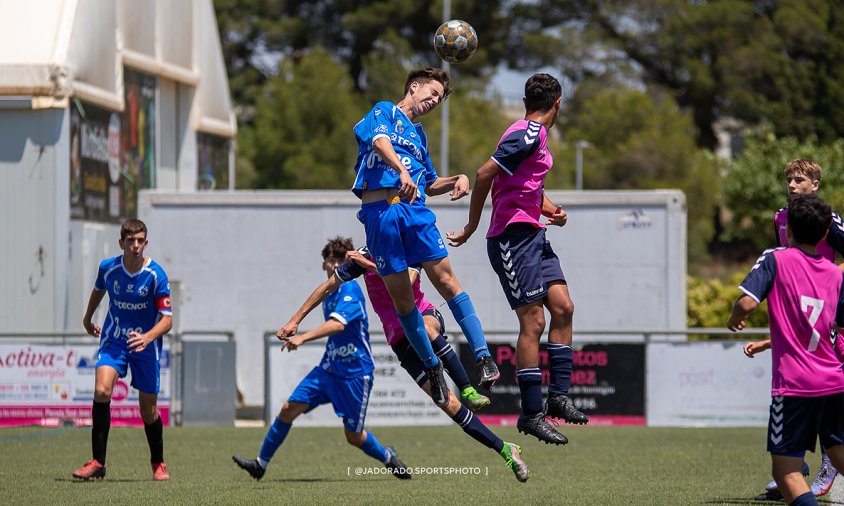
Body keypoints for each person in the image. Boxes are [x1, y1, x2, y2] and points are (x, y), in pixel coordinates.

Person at [274, 247, 529, 482]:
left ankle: (468, 389)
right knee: (447, 404)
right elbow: (327, 286)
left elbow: (406, 282)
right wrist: (295, 320)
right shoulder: (365, 254)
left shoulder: (409, 247)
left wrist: (368, 265)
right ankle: (505, 449)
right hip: (399, 340)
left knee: (426, 329)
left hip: (424, 315)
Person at [447, 73, 588, 446]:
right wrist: (473, 224)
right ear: (557, 103)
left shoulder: (530, 136)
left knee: (564, 307)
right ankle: (530, 413)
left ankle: (557, 398)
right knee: (534, 320)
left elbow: (525, 186)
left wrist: (551, 209)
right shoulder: (527, 134)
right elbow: (484, 174)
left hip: (534, 235)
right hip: (511, 239)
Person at [351, 67, 499, 408]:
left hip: (415, 212)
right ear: (413, 87)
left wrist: (458, 178)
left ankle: (483, 359)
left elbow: (429, 183)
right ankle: (433, 368)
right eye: (430, 93)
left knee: (448, 281)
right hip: (382, 214)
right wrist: (400, 170)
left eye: (439, 98)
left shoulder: (419, 136)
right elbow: (379, 141)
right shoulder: (384, 111)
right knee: (404, 303)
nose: (434, 101)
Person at [232, 237, 410, 481]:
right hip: (328, 369)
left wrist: (302, 338)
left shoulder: (349, 288)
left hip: (355, 373)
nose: (335, 265)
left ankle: (388, 456)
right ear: (325, 264)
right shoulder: (328, 291)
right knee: (287, 409)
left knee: (354, 437)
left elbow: (338, 325)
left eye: (340, 260)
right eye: (331, 260)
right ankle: (260, 464)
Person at [727, 194, 844, 506]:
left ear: (788, 230)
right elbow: (836, 327)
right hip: (834, 382)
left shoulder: (776, 259)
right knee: (839, 455)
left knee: (787, 473)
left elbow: (748, 302)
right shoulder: (836, 274)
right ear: (824, 235)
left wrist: (734, 318)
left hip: (794, 386)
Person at [72, 219, 173, 481]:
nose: (136, 246)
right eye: (131, 241)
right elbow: (98, 290)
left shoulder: (156, 275)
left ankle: (158, 463)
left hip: (145, 345)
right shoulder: (109, 268)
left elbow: (167, 319)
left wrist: (148, 337)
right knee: (102, 390)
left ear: (146, 243)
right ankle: (98, 462)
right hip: (114, 340)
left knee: (148, 411)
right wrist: (87, 318)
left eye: (140, 241)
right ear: (121, 243)